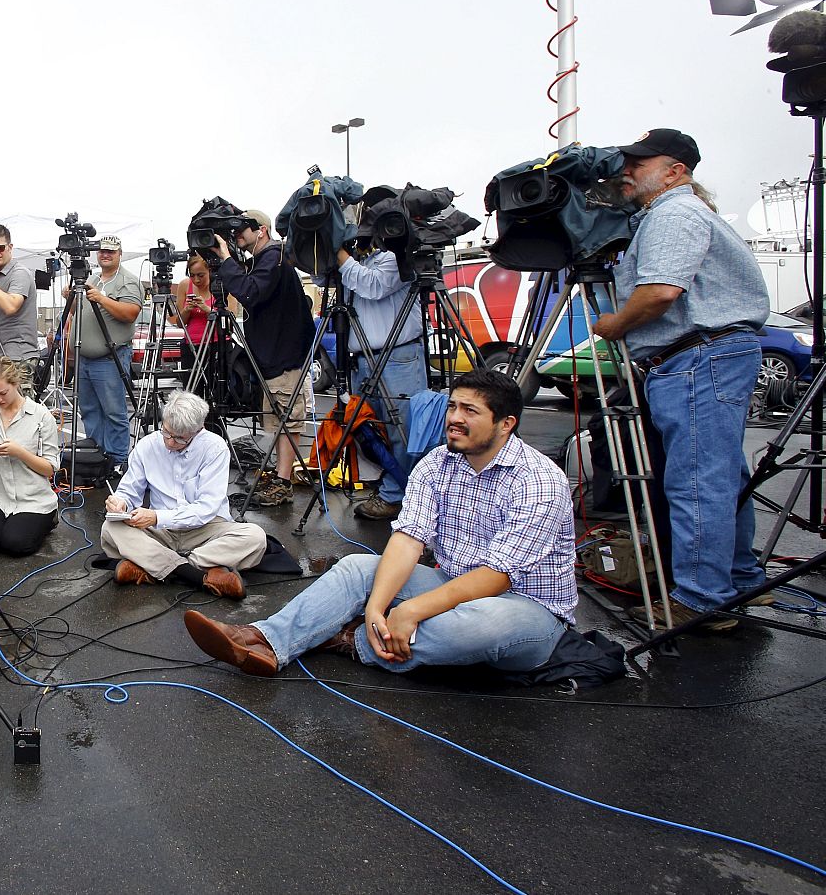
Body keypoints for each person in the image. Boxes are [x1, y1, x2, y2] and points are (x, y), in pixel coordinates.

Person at [183, 369, 574, 675]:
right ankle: (265, 640)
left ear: (505, 424)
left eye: (469, 411)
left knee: (481, 624)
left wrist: (411, 610)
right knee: (356, 568)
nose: (453, 418)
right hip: (453, 583)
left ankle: (353, 642)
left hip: (525, 609)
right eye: (453, 407)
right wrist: (379, 607)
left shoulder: (538, 480)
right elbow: (407, 541)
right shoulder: (438, 464)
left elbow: (496, 578)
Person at [592, 128, 770, 632]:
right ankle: (737, 578)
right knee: (718, 476)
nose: (627, 170)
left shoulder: (674, 212)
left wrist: (613, 325)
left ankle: (700, 600)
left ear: (677, 171)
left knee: (696, 481)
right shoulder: (674, 214)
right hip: (708, 355)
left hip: (697, 356)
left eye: (640, 163)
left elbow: (660, 293)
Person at [102, 390, 268, 599]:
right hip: (161, 530)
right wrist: (120, 503)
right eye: (167, 432)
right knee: (110, 528)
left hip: (206, 527)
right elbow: (129, 491)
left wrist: (156, 517)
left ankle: (153, 567)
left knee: (255, 537)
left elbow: (206, 508)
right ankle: (200, 572)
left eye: (180, 439)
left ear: (199, 430)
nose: (170, 442)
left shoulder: (215, 448)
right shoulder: (148, 445)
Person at [323, 230, 429, 521]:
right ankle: (392, 488)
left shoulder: (394, 257)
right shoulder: (355, 263)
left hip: (397, 355)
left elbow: (374, 286)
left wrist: (340, 255)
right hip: (363, 359)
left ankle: (402, 497)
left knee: (403, 432)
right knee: (368, 428)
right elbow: (322, 278)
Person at [214, 209, 316, 507]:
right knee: (279, 418)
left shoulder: (273, 257)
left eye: (244, 228)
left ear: (262, 230)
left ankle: (284, 482)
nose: (237, 234)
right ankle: (281, 475)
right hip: (275, 352)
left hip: (284, 354)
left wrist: (226, 260)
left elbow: (248, 292)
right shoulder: (265, 259)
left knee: (287, 418)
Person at [0, 356, 61, 556]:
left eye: (3, 393)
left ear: (16, 384)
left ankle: (48, 518)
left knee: (16, 545)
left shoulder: (41, 416)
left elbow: (50, 468)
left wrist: (20, 453)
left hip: (32, 498)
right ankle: (3, 522)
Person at [63, 235, 141, 471]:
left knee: (114, 412)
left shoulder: (128, 281)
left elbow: (130, 313)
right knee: (89, 409)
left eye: (111, 251)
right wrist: (71, 298)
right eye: (102, 251)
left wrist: (102, 298)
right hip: (85, 358)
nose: (105, 254)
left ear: (120, 253)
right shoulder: (92, 277)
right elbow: (78, 312)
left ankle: (117, 461)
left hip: (109, 358)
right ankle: (97, 455)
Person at [0, 224, 41, 395]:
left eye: (0, 248)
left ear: (10, 247)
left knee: (21, 414)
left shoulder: (19, 273)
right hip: (2, 356)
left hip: (19, 356)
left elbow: (10, 306)